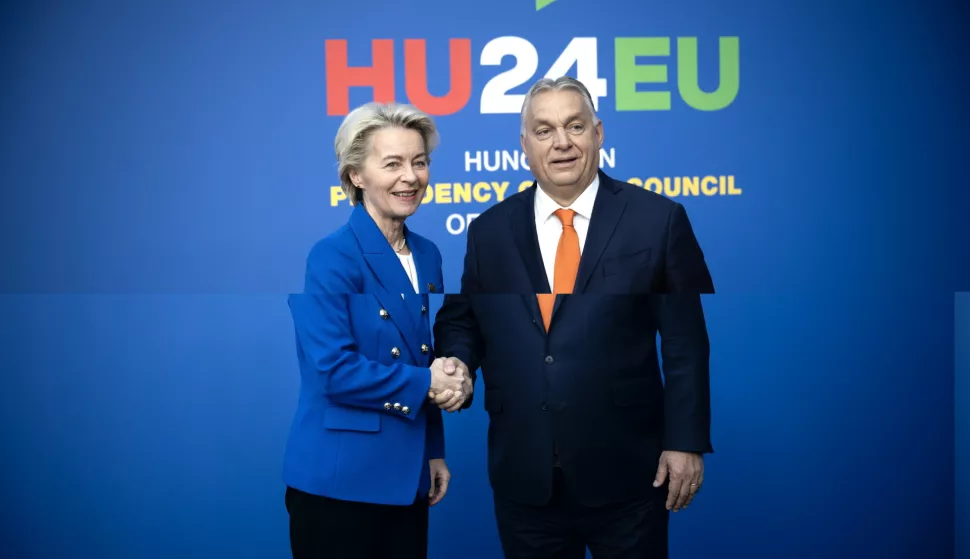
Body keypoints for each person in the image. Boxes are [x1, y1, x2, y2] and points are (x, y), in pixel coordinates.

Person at [431, 76, 715, 558]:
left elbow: (686, 344)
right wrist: (456, 363)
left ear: (598, 133)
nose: (561, 142)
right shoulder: (489, 231)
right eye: (544, 131)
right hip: (526, 476)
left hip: (630, 472)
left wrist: (685, 442)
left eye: (574, 126)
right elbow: (463, 321)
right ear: (525, 146)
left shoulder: (659, 219)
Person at [283, 102, 471, 559]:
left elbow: (417, 353)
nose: (410, 176)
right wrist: (430, 382)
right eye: (392, 164)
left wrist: (432, 449)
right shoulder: (331, 257)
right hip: (340, 485)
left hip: (407, 479)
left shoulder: (428, 255)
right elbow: (333, 370)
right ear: (356, 175)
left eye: (419, 162)